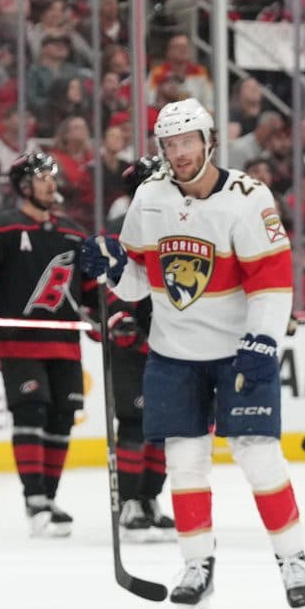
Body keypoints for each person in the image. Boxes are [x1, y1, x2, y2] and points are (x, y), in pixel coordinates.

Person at [81, 100, 305, 609]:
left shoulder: (249, 198)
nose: (179, 153)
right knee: (186, 461)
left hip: (238, 352)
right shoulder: (150, 197)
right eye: (170, 145)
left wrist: (262, 340)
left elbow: (273, 281)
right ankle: (196, 567)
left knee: (259, 456)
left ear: (208, 141)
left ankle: (292, 559)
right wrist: (112, 268)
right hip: (174, 354)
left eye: (187, 142)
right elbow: (140, 280)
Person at [0, 153, 96, 537]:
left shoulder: (72, 232)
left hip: (65, 341)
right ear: (22, 185)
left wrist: (106, 315)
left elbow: (87, 290)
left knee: (61, 419)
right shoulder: (1, 227)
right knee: (32, 413)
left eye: (52, 177)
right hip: (19, 343)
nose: (51, 184)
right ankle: (34, 503)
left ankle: (48, 499)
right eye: (41, 178)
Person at [106, 156, 177, 543]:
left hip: (171, 339)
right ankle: (130, 501)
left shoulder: (179, 220)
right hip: (131, 344)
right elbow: (107, 280)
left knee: (165, 427)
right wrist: (119, 319)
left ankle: (150, 499)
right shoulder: (119, 229)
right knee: (134, 422)